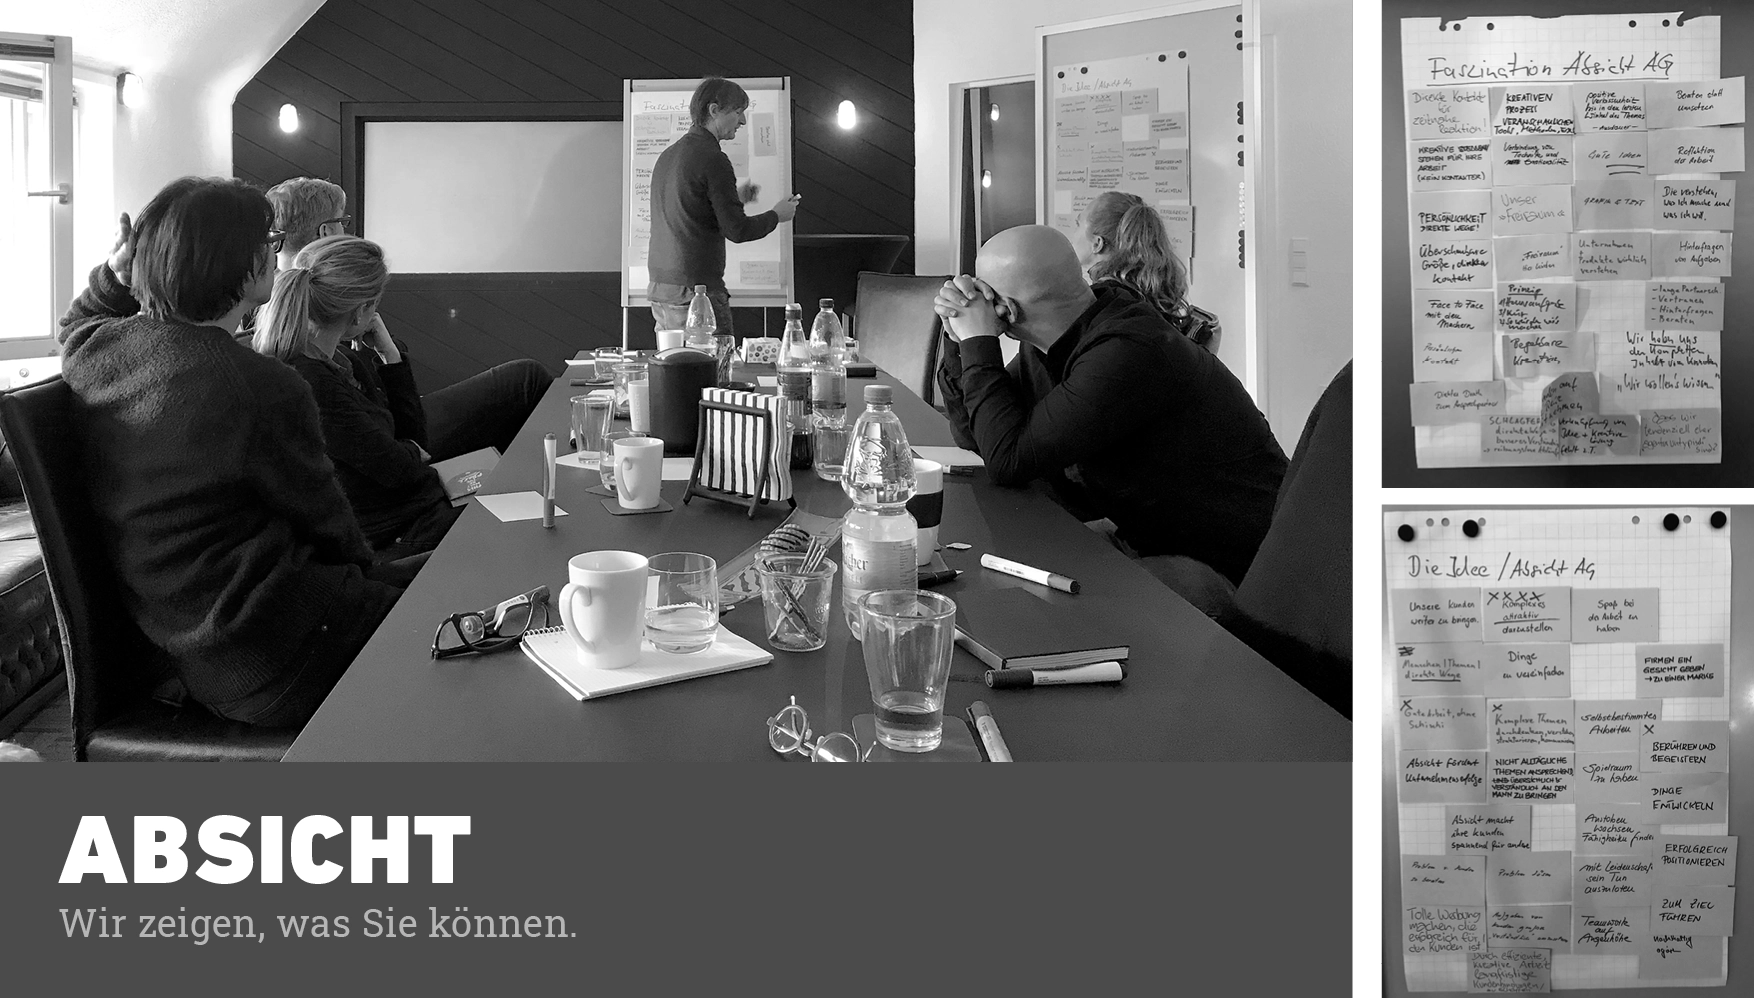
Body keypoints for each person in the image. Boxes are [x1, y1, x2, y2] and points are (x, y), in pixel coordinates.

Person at [56, 176, 412, 728]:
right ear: (244, 265)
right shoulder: (255, 384)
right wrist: (369, 581)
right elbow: (330, 527)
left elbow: (78, 323)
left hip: (210, 656)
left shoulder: (101, 352)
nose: (276, 253)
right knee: (469, 620)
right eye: (269, 243)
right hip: (283, 653)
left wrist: (116, 275)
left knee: (444, 583)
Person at [933, 225, 1287, 606]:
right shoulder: (1059, 336)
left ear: (1005, 310)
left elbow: (1008, 459)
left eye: (982, 295)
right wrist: (960, 343)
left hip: (1234, 569)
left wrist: (979, 341)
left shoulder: (1127, 350)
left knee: (1057, 606)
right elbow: (982, 437)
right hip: (1146, 535)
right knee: (999, 573)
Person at [261, 176, 556, 459]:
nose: (347, 231)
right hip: (386, 437)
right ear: (326, 232)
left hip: (387, 425)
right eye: (344, 222)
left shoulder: (269, 308)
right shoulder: (320, 318)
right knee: (525, 379)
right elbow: (378, 431)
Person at [254, 234, 460, 559]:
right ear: (361, 311)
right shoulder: (309, 380)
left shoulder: (341, 359)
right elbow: (401, 468)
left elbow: (412, 445)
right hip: (391, 535)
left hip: (409, 509)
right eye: (376, 303)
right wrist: (408, 453)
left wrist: (390, 357)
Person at [647, 77, 800, 334]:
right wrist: (777, 215)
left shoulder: (668, 155)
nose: (742, 121)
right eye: (738, 112)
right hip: (696, 292)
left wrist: (735, 199)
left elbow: (690, 208)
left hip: (661, 289)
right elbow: (737, 231)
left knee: (676, 370)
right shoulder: (713, 159)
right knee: (714, 369)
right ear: (714, 110)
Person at [1071, 191, 1220, 354]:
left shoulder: (1105, 301)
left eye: (1078, 224)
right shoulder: (1151, 292)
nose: (1073, 234)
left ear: (1097, 243)